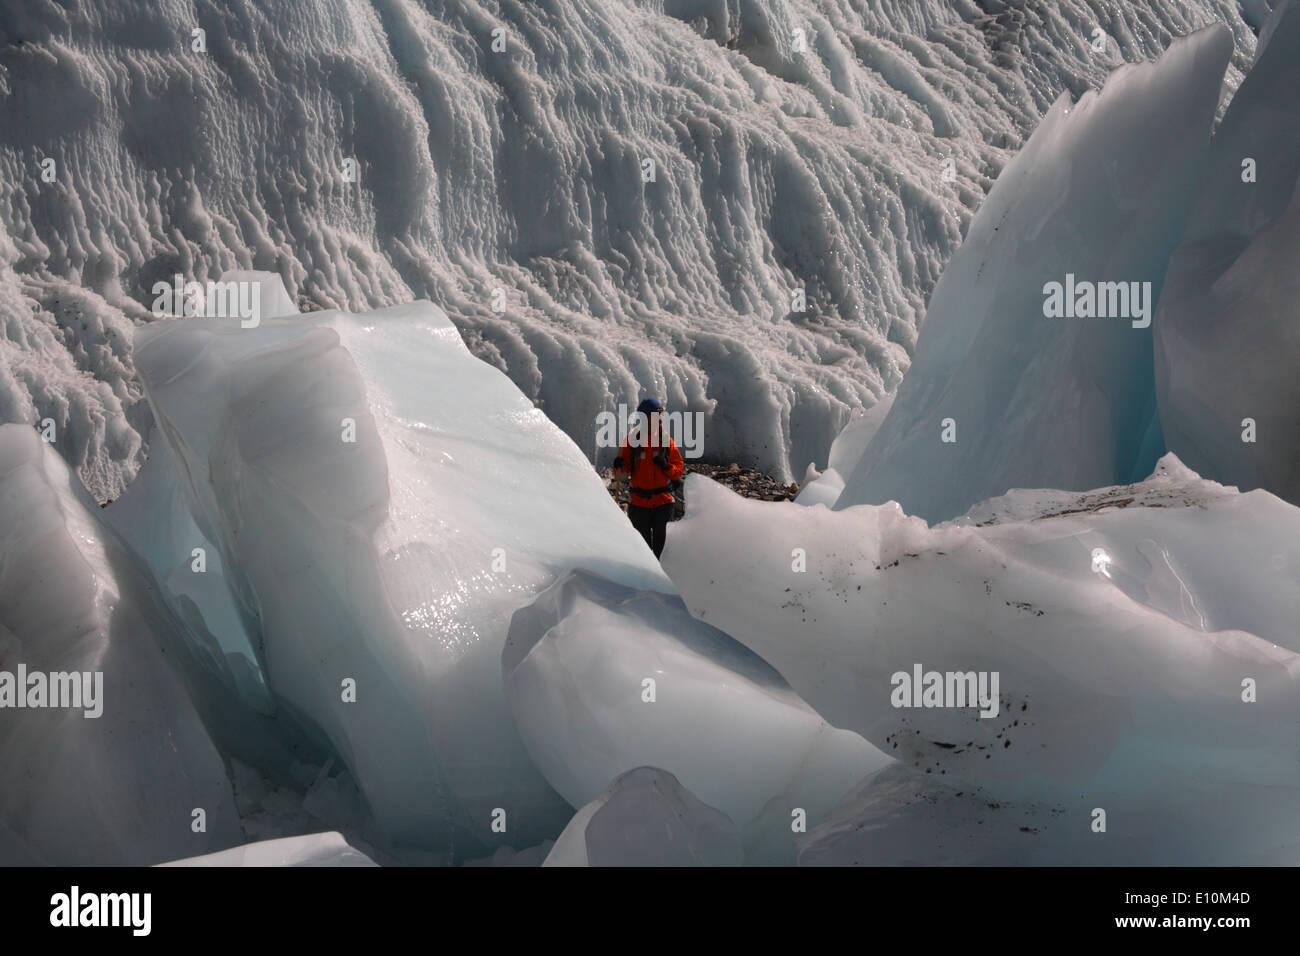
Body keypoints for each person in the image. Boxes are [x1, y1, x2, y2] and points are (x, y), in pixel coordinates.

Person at [612, 398, 685, 558]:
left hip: (663, 503)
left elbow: (678, 469)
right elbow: (621, 476)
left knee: (664, 551)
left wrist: (666, 467)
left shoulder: (666, 442)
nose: (659, 419)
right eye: (655, 415)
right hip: (639, 504)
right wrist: (619, 465)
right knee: (642, 552)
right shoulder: (632, 442)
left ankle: (663, 580)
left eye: (660, 415)